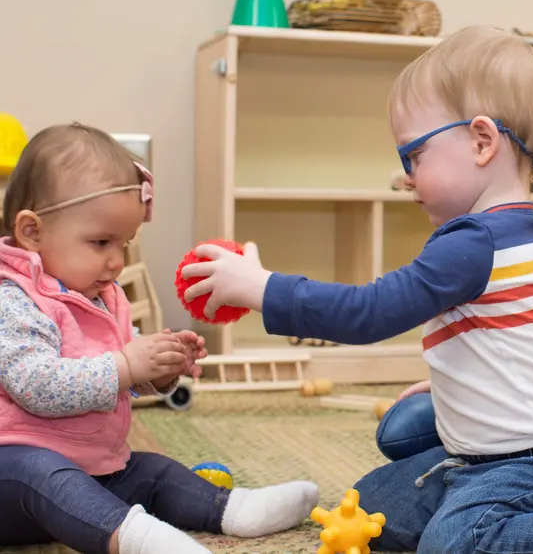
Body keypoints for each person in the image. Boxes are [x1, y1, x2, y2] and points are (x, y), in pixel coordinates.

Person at [179, 25, 533, 553]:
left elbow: (369, 313)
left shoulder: (475, 241)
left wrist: (265, 289)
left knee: (454, 544)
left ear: (482, 141)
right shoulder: (522, 230)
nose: (405, 177)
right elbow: (518, 344)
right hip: (486, 453)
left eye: (413, 156)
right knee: (372, 508)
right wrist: (459, 380)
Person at [0, 124, 320, 554]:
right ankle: (136, 539)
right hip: (15, 468)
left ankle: (232, 509)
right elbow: (37, 386)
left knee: (152, 472)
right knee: (46, 474)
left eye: (125, 243)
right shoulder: (13, 298)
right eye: (100, 242)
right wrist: (127, 365)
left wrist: (160, 370)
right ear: (32, 232)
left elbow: (125, 375)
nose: (117, 260)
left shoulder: (102, 296)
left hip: (94, 464)